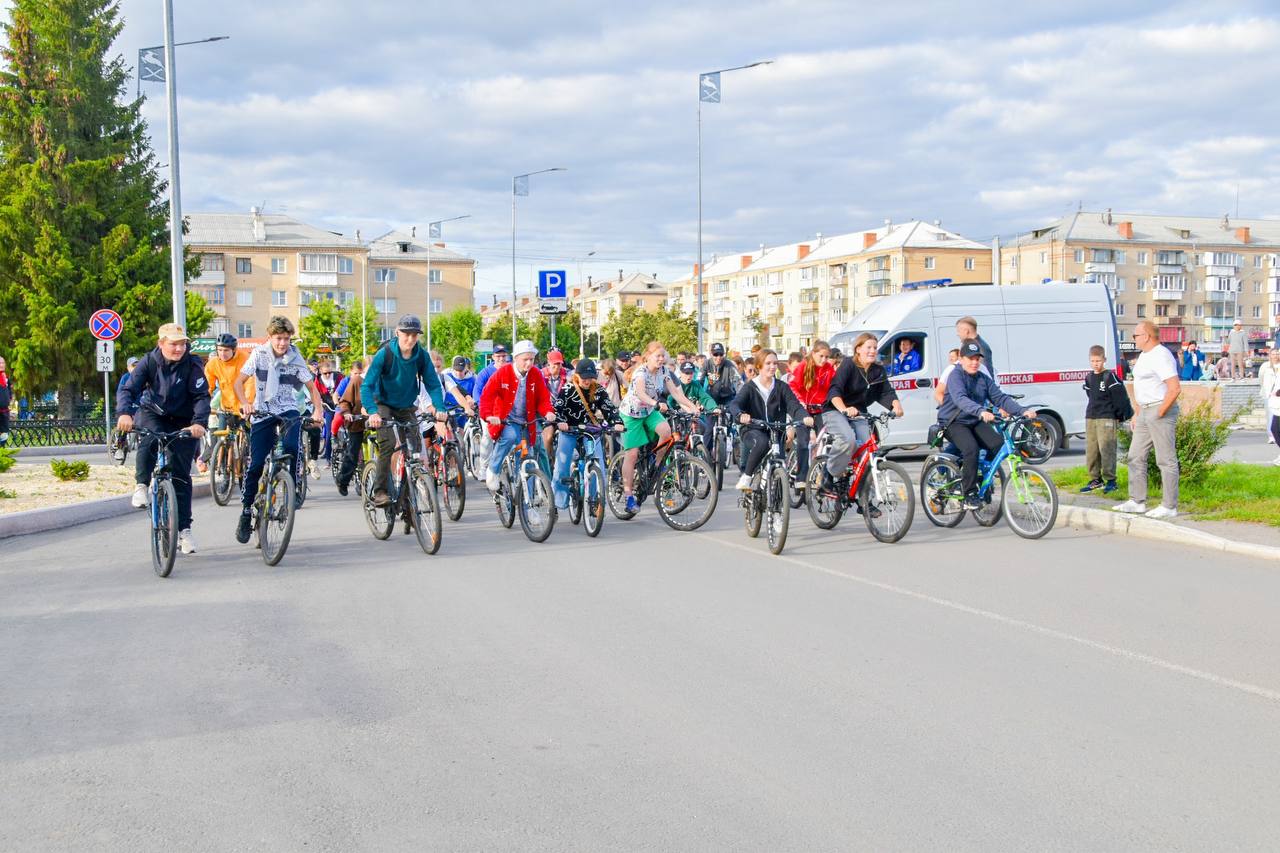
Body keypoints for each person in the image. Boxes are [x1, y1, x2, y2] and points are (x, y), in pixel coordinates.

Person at [115, 323, 210, 554]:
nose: (178, 349)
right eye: (173, 344)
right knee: (149, 439)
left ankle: (184, 530)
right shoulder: (149, 361)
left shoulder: (193, 364)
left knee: (181, 476)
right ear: (161, 344)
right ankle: (141, 486)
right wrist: (124, 413)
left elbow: (201, 396)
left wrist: (199, 423)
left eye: (182, 344)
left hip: (184, 420)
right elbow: (128, 389)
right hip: (153, 413)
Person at [231, 316, 323, 543]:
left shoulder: (295, 356)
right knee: (256, 464)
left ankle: (290, 490)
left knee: (293, 446)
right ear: (270, 337)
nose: (282, 343)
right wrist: (245, 402)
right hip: (263, 411)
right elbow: (238, 382)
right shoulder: (259, 354)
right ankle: (245, 511)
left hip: (288, 409)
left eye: (286, 338)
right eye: (278, 338)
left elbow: (312, 387)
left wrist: (318, 411)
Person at [361, 314, 446, 507]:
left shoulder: (421, 355)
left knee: (414, 449)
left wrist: (439, 408)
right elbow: (367, 385)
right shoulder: (386, 354)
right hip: (383, 404)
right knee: (388, 443)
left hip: (407, 405)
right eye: (406, 334)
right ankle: (380, 490)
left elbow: (433, 384)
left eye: (415, 335)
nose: (410, 339)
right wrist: (373, 411)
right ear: (397, 333)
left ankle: (407, 497)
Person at [936, 340, 1030, 510]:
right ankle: (969, 494)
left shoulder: (982, 378)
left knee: (997, 445)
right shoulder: (955, 376)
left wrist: (1022, 410)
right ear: (962, 359)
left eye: (977, 359)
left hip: (974, 420)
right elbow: (960, 399)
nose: (974, 362)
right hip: (953, 422)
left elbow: (1000, 398)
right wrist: (980, 411)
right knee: (971, 449)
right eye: (970, 358)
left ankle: (978, 476)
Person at [617, 341, 700, 513]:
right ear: (648, 357)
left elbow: (676, 393)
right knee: (632, 454)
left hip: (648, 411)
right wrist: (655, 403)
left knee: (666, 432)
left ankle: (657, 464)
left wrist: (692, 407)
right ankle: (629, 496)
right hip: (631, 413)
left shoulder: (664, 372)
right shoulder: (640, 372)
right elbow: (640, 393)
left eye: (663, 356)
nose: (661, 359)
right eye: (658, 356)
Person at [1113, 320, 1180, 519]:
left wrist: (1160, 412)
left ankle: (1169, 506)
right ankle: (1137, 501)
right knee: (1135, 455)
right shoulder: (1144, 355)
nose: (1134, 339)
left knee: (1165, 459)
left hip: (1159, 410)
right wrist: (1137, 412)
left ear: (1147, 336)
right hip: (1144, 412)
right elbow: (1143, 386)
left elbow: (1174, 387)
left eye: (1136, 336)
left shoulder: (1161, 355)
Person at [820, 333, 904, 491]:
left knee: (868, 451)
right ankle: (830, 471)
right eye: (868, 347)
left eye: (875, 348)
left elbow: (886, 392)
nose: (873, 351)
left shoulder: (877, 370)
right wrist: (844, 409)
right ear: (858, 349)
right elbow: (835, 390)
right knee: (848, 439)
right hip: (835, 410)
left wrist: (896, 406)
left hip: (859, 412)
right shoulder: (848, 365)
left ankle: (864, 499)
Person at [479, 339, 556, 492]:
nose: (529, 363)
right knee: (510, 436)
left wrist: (548, 411)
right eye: (525, 359)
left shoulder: (535, 373)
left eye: (531, 359)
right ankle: (493, 470)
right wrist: (488, 415)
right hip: (507, 420)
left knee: (529, 456)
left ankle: (528, 504)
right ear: (515, 359)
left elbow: (543, 397)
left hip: (528, 422)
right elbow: (487, 395)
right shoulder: (503, 373)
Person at [731, 349, 813, 491]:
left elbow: (794, 406)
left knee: (779, 462)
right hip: (753, 429)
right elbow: (735, 404)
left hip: (776, 432)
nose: (772, 366)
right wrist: (740, 415)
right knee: (762, 443)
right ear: (759, 366)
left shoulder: (782, 387)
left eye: (775, 363)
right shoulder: (750, 387)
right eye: (768, 363)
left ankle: (777, 506)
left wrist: (804, 417)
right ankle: (747, 477)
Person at [551, 357, 621, 509]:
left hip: (590, 431)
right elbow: (557, 409)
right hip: (570, 430)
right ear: (577, 376)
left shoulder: (599, 390)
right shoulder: (568, 389)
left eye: (590, 377)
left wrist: (617, 422)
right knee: (562, 464)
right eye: (584, 378)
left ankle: (595, 500)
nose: (588, 381)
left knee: (598, 463)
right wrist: (561, 421)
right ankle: (558, 500)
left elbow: (609, 408)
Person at [1081, 344, 1132, 494]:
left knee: (1107, 449)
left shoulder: (1110, 377)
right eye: (1092, 361)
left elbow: (1120, 398)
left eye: (1098, 361)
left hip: (1107, 417)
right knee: (1092, 450)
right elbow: (1090, 395)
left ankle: (1111, 480)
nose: (1095, 364)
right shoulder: (1089, 377)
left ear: (1104, 360)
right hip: (1091, 416)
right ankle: (1095, 479)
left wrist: (1120, 416)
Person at [200, 333, 253, 473]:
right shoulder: (213, 363)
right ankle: (224, 472)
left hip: (244, 405)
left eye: (226, 350)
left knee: (249, 437)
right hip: (226, 406)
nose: (222, 353)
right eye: (220, 350)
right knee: (222, 440)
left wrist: (246, 403)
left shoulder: (245, 359)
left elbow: (250, 383)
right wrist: (203, 403)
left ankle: (248, 463)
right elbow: (207, 387)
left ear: (234, 350)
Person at [789, 341, 834, 487]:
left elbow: (835, 386)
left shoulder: (828, 369)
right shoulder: (803, 366)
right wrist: (801, 402)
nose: (824, 360)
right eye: (821, 356)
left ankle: (824, 476)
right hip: (803, 409)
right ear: (813, 354)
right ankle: (801, 477)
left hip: (820, 409)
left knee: (828, 439)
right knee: (803, 442)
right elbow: (792, 386)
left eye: (827, 357)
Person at [332, 359, 365, 495]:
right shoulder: (352, 381)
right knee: (353, 452)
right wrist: (346, 413)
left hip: (373, 422)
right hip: (355, 420)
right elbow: (341, 399)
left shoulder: (379, 381)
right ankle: (343, 480)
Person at [314, 356, 344, 463]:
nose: (327, 375)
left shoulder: (338, 377)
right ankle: (328, 456)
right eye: (325, 373)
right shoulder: (318, 380)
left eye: (329, 372)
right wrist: (320, 403)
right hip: (328, 406)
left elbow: (344, 388)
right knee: (329, 431)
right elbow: (315, 393)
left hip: (340, 405)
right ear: (321, 372)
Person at [1257, 347, 1280, 459]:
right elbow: (1261, 379)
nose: (1276, 356)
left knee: (1276, 422)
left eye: (1277, 354)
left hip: (1278, 397)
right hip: (1269, 397)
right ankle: (1271, 436)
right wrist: (1266, 392)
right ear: (1270, 355)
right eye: (1274, 354)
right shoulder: (1265, 366)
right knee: (1271, 418)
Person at [472, 344, 509, 410]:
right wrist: (482, 406)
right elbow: (477, 390)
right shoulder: (485, 372)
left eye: (503, 356)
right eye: (498, 356)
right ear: (493, 357)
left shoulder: (512, 370)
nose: (501, 358)